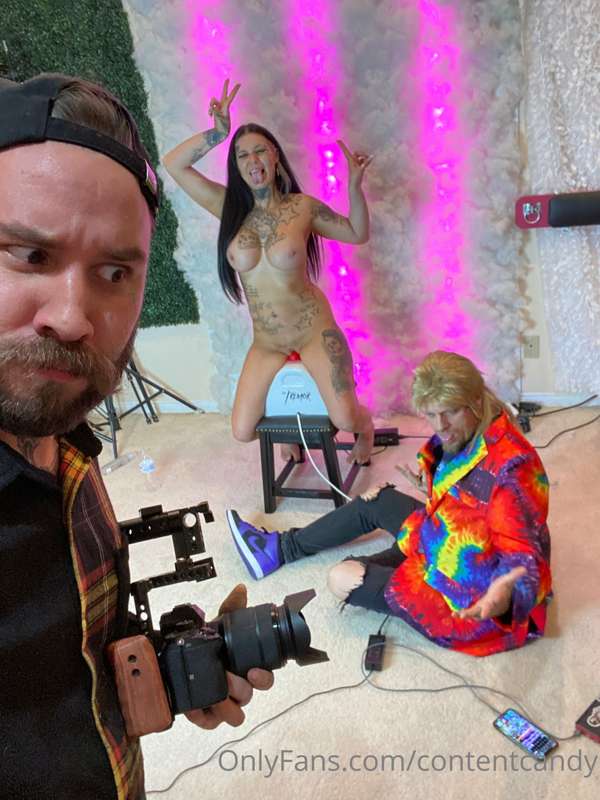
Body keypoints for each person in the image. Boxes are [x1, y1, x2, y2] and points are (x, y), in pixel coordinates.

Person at [0, 73, 273, 800]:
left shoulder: (65, 442)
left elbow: (69, 659)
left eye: (115, 271)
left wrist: (170, 663)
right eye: (29, 255)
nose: (73, 318)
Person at [227, 351, 553, 657]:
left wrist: (502, 595)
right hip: (440, 533)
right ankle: (279, 549)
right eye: (431, 414)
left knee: (342, 578)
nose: (440, 425)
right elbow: (468, 493)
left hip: (470, 590)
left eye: (450, 412)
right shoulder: (470, 427)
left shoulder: (513, 469)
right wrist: (434, 488)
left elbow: (523, 555)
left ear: (475, 401)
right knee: (377, 498)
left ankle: (382, 569)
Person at [163, 80, 375, 464]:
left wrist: (355, 187)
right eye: (243, 155)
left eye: (260, 150)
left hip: (313, 330)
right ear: (236, 165)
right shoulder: (228, 206)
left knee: (345, 418)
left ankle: (368, 425)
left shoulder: (302, 207)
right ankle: (288, 428)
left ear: (275, 155)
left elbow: (357, 233)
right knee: (243, 430)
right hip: (267, 341)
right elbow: (173, 164)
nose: (253, 160)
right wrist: (218, 133)